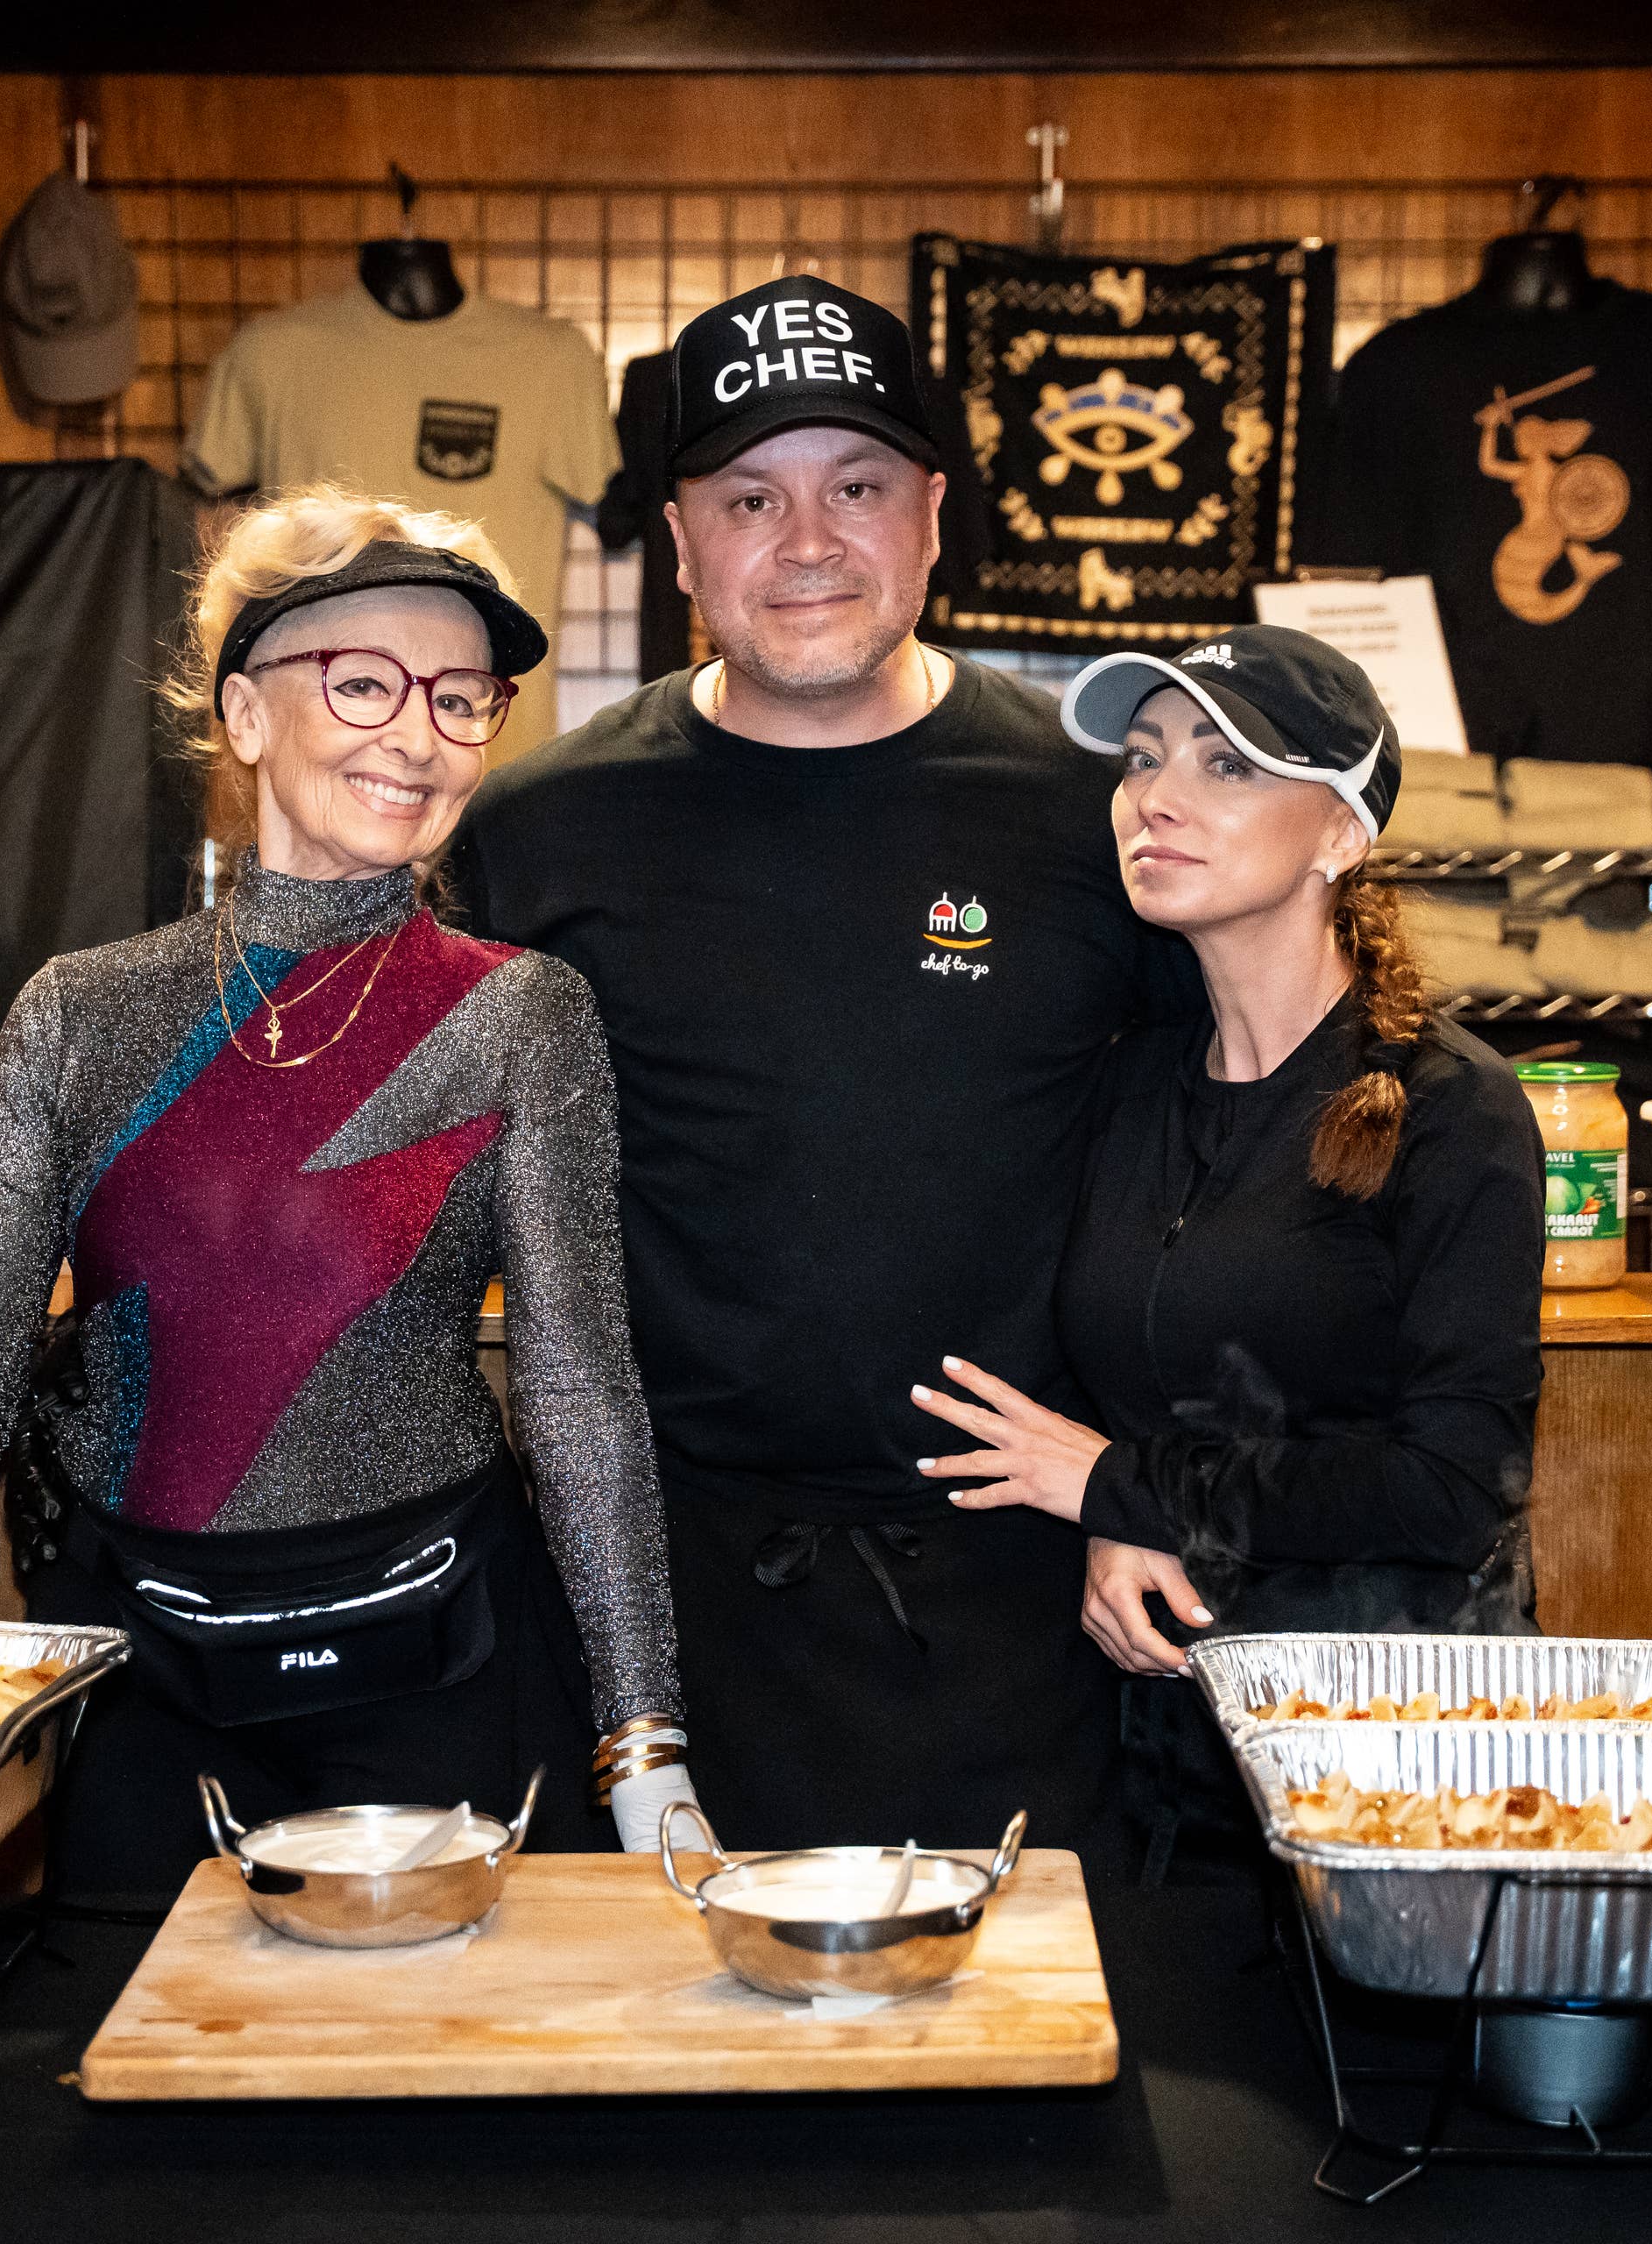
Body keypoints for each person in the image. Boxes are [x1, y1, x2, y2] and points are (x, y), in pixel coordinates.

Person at [448, 279, 1195, 1864]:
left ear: (932, 518)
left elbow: (1206, 1174)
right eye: (749, 497)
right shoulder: (537, 837)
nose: (806, 542)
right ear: (679, 541)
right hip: (658, 1605)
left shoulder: (1091, 822)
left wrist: (1145, 1482)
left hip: (1022, 1600)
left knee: (1013, 2087)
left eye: (856, 487)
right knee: (668, 2090)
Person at [0, 486, 695, 1898]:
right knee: (122, 2065)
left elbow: (577, 1391)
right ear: (246, 716)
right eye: (362, 682)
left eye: (460, 698)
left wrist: (646, 1742)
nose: (415, 735)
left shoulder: (517, 1016)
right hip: (142, 1680)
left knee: (422, 2089)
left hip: (439, 1659)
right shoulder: (82, 1014)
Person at [915, 625, 1545, 1882]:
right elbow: (1129, 1381)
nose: (1158, 796)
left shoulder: (1451, 1110)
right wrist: (1114, 1514)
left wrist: (1122, 1484)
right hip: (1161, 1749)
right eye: (1143, 760)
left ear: (1340, 834)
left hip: (1390, 1759)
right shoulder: (1132, 1086)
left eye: (1227, 765)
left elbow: (1448, 1488)